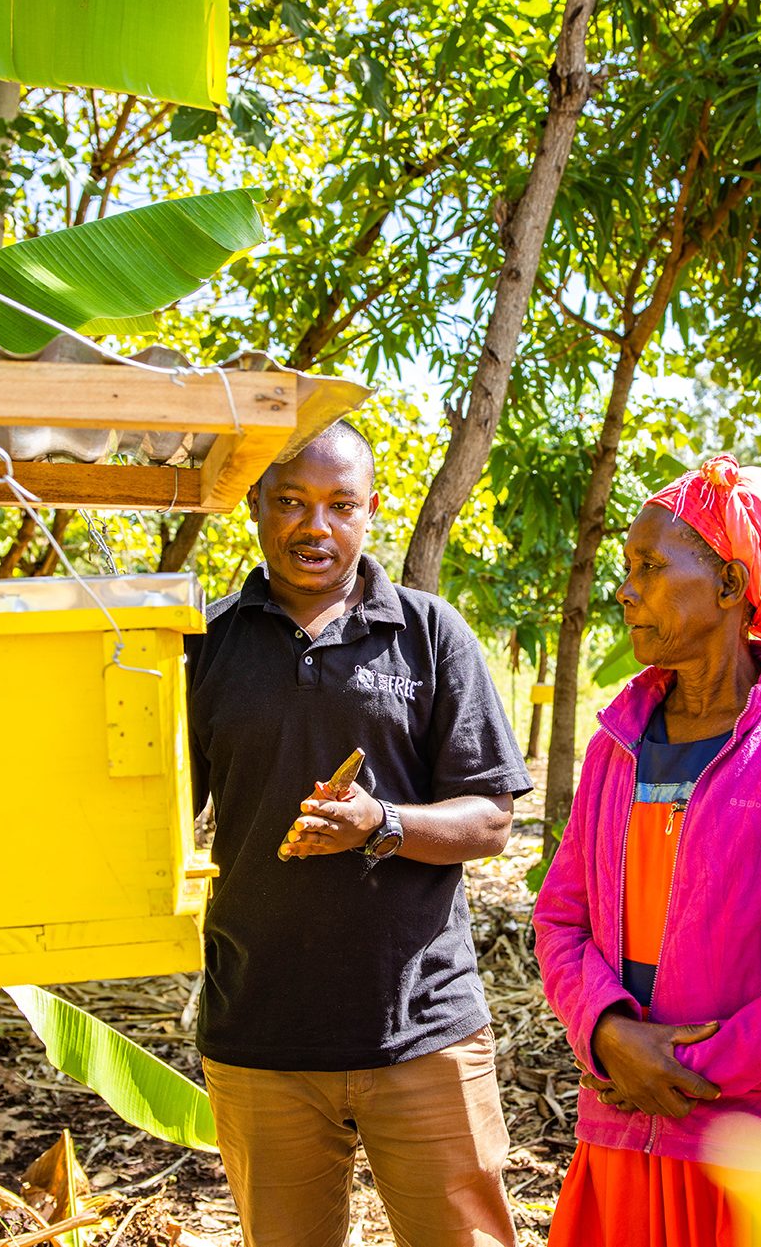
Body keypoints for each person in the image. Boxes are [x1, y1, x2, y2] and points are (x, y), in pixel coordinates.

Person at [185, 420, 534, 1247]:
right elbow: (153, 809)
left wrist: (382, 824)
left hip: (423, 1027)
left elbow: (490, 815)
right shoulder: (205, 643)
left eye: (341, 505)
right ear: (259, 510)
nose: (316, 526)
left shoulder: (429, 633)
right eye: (293, 503)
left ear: (371, 511)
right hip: (261, 1030)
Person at [533, 456, 761, 1247]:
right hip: (624, 1129)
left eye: (652, 567)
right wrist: (609, 1034)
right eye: (628, 568)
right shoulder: (615, 746)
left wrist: (695, 1068)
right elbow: (560, 922)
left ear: (731, 585)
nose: (626, 589)